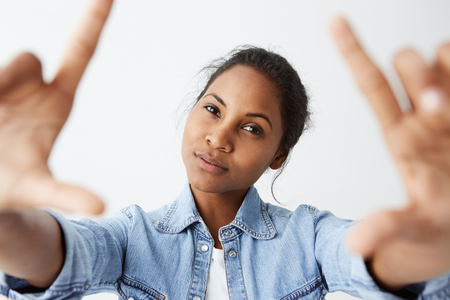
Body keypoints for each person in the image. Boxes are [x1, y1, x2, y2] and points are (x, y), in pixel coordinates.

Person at [0, 0, 450, 299]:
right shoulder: (133, 235)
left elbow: (372, 262)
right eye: (212, 109)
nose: (219, 137)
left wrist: (435, 245)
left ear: (279, 155)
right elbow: (62, 259)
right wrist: (5, 219)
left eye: (252, 128)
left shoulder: (308, 238)